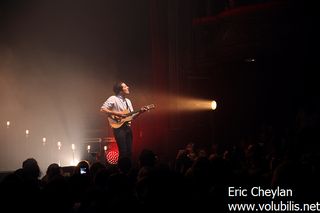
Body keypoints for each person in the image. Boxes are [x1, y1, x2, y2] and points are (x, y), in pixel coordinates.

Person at [100, 81, 147, 161]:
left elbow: (131, 117)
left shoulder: (128, 101)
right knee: (123, 152)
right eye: (125, 86)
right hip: (119, 128)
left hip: (128, 128)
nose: (128, 87)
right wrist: (117, 113)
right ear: (120, 90)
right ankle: (121, 170)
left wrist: (140, 112)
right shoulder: (113, 99)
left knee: (129, 152)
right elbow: (102, 109)